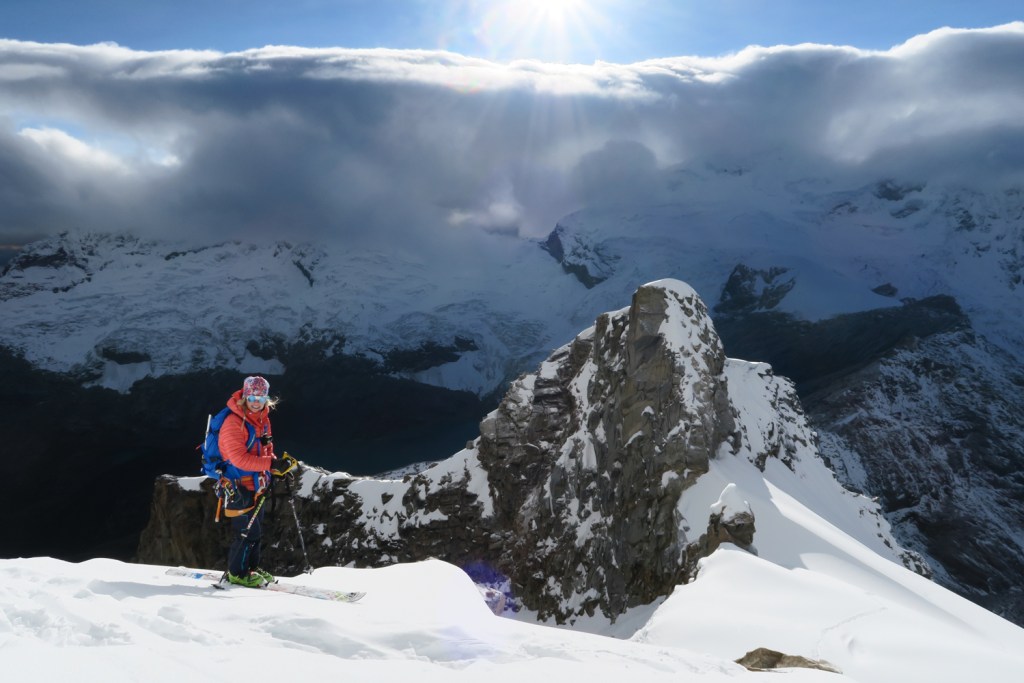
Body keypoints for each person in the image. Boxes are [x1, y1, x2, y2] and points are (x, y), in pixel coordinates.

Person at [218, 375, 290, 587]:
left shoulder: (262, 420)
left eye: (261, 396)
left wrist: (277, 465)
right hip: (238, 486)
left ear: (267, 397)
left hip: (258, 485)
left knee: (255, 531)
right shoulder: (234, 423)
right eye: (252, 396)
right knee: (245, 532)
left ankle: (250, 569)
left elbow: (265, 450)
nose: (256, 401)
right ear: (245, 396)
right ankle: (237, 574)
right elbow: (238, 459)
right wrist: (270, 465)